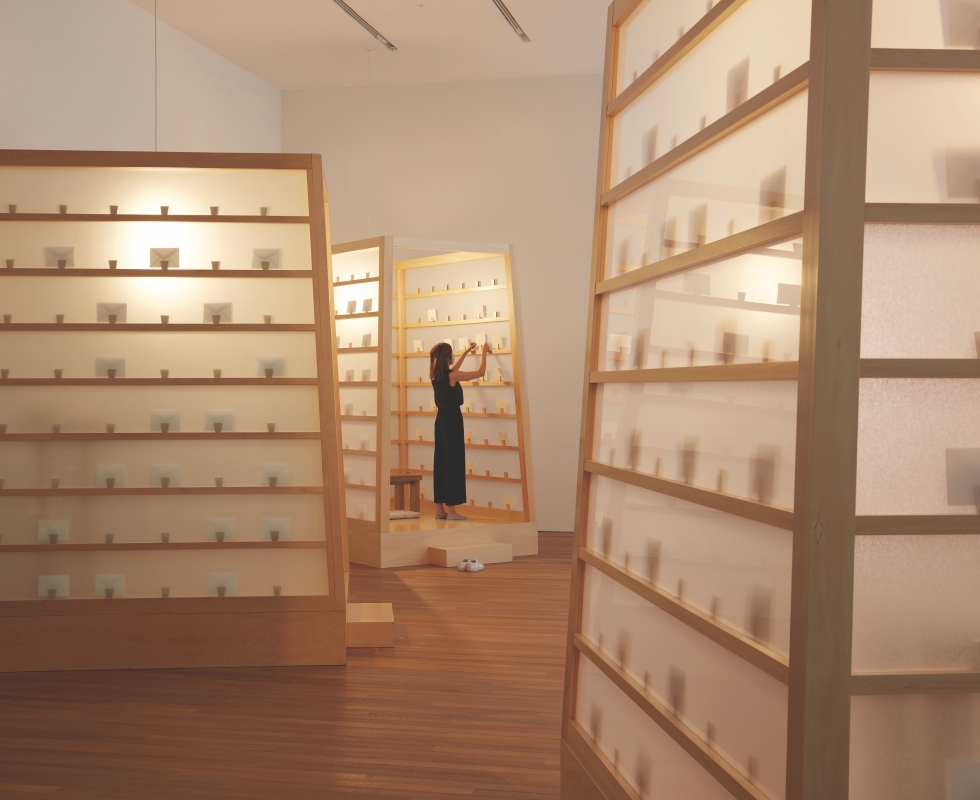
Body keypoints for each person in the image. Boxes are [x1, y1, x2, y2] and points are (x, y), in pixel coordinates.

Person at [429, 340, 492, 520]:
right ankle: (452, 511)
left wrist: (466, 352)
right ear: (447, 357)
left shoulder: (434, 374)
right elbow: (480, 372)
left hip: (440, 421)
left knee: (440, 462)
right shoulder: (452, 376)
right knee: (453, 462)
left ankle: (439, 509)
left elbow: (453, 368)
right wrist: (484, 351)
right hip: (452, 420)